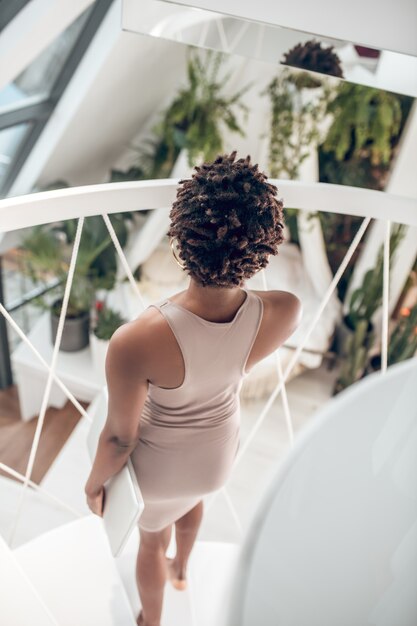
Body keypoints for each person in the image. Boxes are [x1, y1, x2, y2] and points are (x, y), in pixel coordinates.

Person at [84, 151, 302, 626]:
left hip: (160, 469)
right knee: (193, 501)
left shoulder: (137, 338)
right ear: (265, 245)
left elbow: (119, 438)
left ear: (181, 235)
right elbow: (239, 321)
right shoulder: (285, 311)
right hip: (217, 459)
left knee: (150, 539)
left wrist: (95, 483)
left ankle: (152, 620)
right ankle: (182, 571)